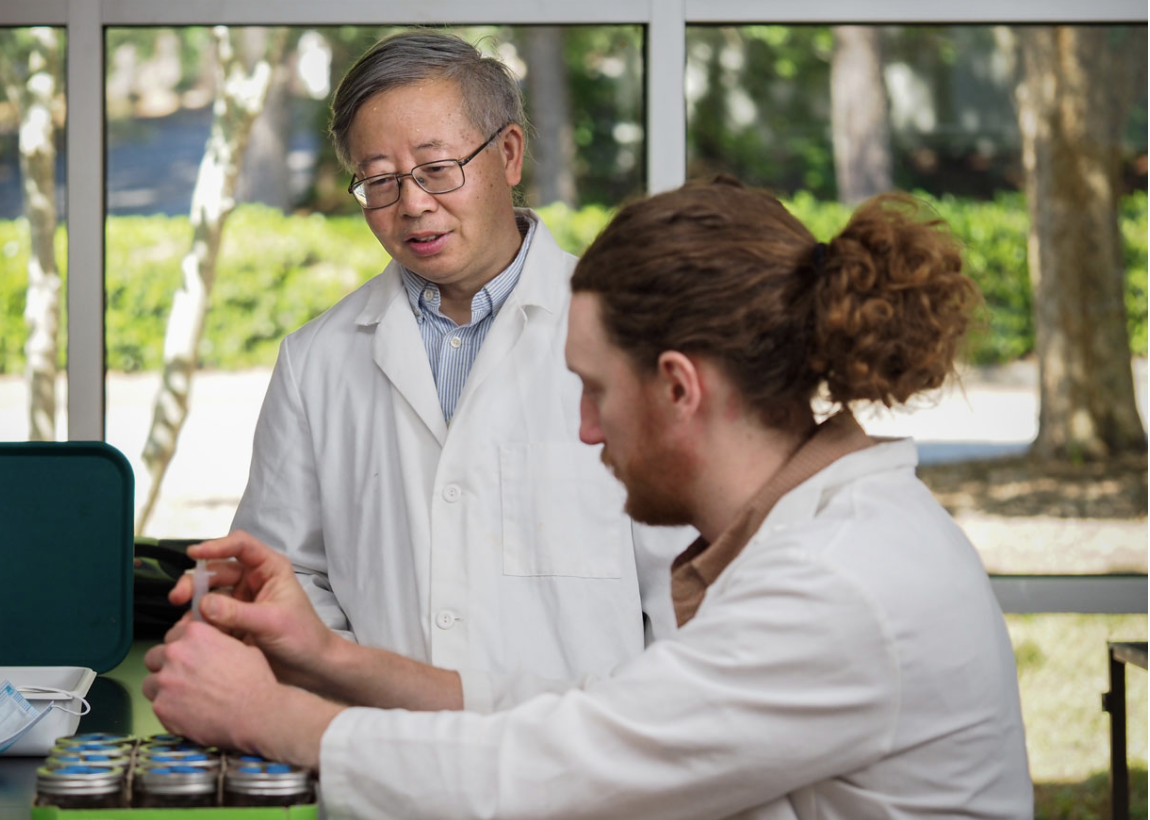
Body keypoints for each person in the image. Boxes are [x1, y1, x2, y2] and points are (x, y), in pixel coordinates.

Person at [145, 178, 1034, 819]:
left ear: (679, 387)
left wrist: (270, 716)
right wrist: (330, 660)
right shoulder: (823, 538)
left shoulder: (833, 583)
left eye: (594, 389)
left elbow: (554, 770)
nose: (582, 429)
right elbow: (597, 711)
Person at [230, 29, 690, 696]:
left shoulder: (636, 330)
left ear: (508, 153)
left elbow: (685, 581)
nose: (412, 204)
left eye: (437, 169)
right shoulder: (317, 360)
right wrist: (368, 692)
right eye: (380, 181)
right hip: (389, 766)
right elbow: (281, 574)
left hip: (586, 770)